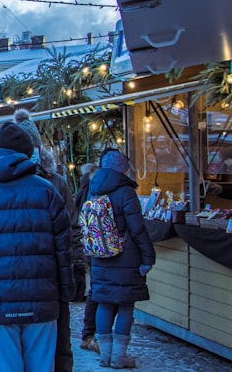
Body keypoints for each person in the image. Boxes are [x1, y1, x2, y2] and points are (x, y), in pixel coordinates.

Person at [0, 122, 74, 372]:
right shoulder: (47, 191)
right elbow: (64, 252)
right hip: (41, 300)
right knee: (42, 366)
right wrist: (66, 293)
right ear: (27, 153)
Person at [14, 108, 82, 372]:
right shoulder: (52, 182)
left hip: (48, 276)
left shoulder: (55, 182)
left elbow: (71, 228)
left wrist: (74, 267)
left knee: (57, 344)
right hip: (33, 277)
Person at [89, 149, 155, 369]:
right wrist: (148, 257)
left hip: (100, 256)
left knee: (105, 303)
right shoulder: (125, 192)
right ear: (121, 167)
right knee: (126, 305)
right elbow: (137, 229)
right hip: (126, 257)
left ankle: (105, 355)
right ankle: (119, 356)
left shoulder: (94, 189)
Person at [76, 161, 101, 353]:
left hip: (89, 245)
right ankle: (92, 335)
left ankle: (88, 335)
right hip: (99, 247)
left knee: (95, 290)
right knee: (98, 291)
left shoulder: (83, 190)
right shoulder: (96, 191)